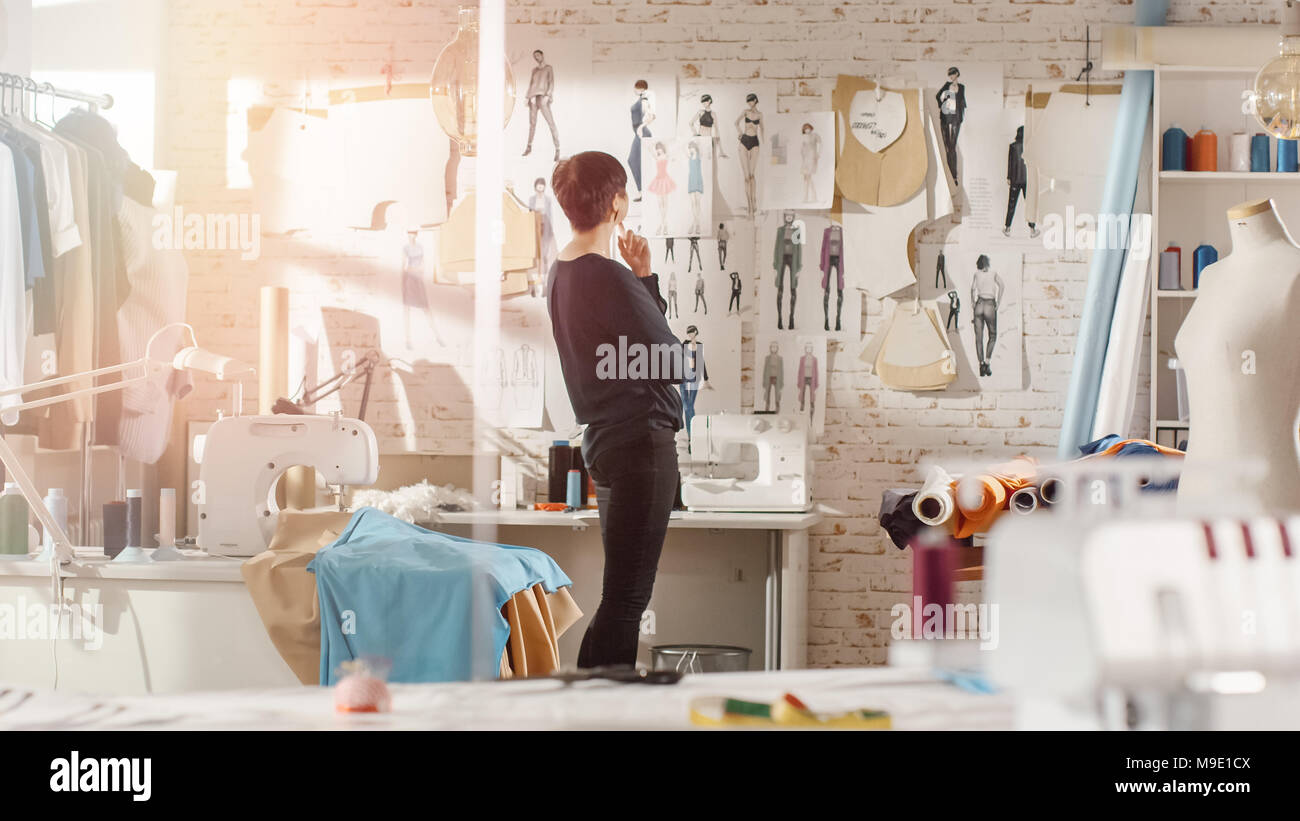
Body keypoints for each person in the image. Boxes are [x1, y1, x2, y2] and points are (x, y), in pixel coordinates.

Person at [547, 151, 683, 669]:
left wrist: (640, 277)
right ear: (617, 204)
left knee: (619, 599)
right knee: (626, 602)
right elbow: (669, 359)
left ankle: (594, 710)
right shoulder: (607, 276)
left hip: (607, 444)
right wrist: (644, 278)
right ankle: (599, 714)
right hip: (639, 444)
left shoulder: (562, 273)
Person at [970, 254, 1004, 377]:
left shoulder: (976, 274)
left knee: (978, 338)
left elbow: (972, 289)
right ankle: (987, 364)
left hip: (979, 304)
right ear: (988, 263)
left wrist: (973, 303)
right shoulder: (993, 273)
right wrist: (998, 302)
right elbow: (1002, 285)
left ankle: (981, 364)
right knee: (993, 335)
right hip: (990, 304)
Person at [523, 49, 559, 160]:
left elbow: (551, 82)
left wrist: (547, 96)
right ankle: (529, 147)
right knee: (532, 124)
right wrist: (528, 97)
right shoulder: (534, 70)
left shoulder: (548, 68)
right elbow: (531, 84)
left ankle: (557, 148)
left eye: (538, 55)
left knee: (551, 123)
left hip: (543, 98)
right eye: (535, 57)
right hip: (533, 99)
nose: (536, 58)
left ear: (542, 55)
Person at [1004, 125, 1039, 238]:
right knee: (1029, 205)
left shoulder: (1013, 146)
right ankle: (1032, 229)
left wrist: (1009, 177)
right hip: (1026, 180)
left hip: (1015, 179)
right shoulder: (1030, 147)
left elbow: (1010, 164)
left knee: (1011, 204)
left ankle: (1007, 228)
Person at [527, 177, 557, 297]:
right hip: (535, 224)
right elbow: (530, 214)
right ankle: (534, 286)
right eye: (538, 185)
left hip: (546, 224)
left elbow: (550, 215)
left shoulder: (548, 199)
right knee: (536, 255)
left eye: (542, 185)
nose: (540, 187)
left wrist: (550, 229)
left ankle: (544, 285)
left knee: (545, 254)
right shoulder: (532, 199)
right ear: (535, 186)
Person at [936, 67, 966, 184]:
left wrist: (961, 116)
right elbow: (938, 96)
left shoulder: (962, 87)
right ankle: (949, 175)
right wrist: (943, 106)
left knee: (952, 146)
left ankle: (954, 175)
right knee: (947, 146)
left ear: (957, 74)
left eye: (953, 74)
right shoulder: (947, 85)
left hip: (956, 118)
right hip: (946, 117)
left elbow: (962, 102)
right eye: (950, 75)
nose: (951, 77)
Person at [679, 325, 710, 437]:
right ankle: (692, 435)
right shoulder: (684, 344)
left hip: (694, 379)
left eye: (692, 332)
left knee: (690, 406)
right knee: (687, 407)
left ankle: (691, 436)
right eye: (689, 332)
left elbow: (701, 363)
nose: (690, 334)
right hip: (684, 378)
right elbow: (679, 358)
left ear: (696, 332)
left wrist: (706, 379)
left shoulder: (699, 345)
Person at [735, 93, 763, 215]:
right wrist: (740, 132)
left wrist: (766, 143)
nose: (750, 103)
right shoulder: (745, 112)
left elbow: (763, 129)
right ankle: (750, 206)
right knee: (746, 177)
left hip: (755, 142)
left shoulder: (760, 115)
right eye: (748, 101)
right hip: (744, 141)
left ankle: (754, 199)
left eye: (751, 101)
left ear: (756, 100)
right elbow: (736, 123)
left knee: (752, 175)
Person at [773, 210, 801, 330]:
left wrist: (799, 266)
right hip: (781, 259)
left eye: (791, 216)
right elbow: (776, 247)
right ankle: (779, 319)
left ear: (793, 217)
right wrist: (775, 265)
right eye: (787, 215)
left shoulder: (796, 231)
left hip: (793, 260)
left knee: (793, 289)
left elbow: (799, 249)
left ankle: (791, 318)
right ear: (785, 217)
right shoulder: (780, 230)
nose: (789, 217)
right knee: (780, 289)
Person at [628, 80, 655, 197]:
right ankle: (642, 191)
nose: (634, 89)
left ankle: (644, 191)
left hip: (642, 133)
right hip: (638, 133)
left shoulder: (644, 100)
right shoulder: (641, 99)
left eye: (635, 87)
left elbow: (652, 116)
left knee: (636, 161)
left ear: (641, 88)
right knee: (633, 161)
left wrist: (641, 127)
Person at [647, 141, 675, 236]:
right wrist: (654, 144)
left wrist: (663, 145)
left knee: (665, 203)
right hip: (658, 180)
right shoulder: (657, 157)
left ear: (662, 149)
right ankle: (664, 224)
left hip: (665, 180)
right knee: (660, 204)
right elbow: (650, 148)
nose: (658, 150)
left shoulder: (666, 156)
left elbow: (669, 148)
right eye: (657, 149)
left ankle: (662, 225)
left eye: (659, 148)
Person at [690, 94, 728, 158]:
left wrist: (721, 150)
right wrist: (696, 134)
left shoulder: (713, 114)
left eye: (705, 101)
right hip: (700, 139)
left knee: (708, 161)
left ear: (709, 101)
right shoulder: (700, 112)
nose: (703, 103)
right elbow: (691, 123)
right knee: (700, 159)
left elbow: (717, 131)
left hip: (709, 140)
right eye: (702, 102)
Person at [686, 141, 704, 235]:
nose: (690, 149)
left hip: (698, 180)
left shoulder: (699, 155)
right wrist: (687, 145)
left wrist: (696, 144)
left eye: (691, 147)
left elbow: (701, 147)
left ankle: (695, 225)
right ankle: (696, 224)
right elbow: (684, 147)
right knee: (693, 203)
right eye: (689, 148)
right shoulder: (689, 156)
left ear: (695, 148)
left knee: (697, 203)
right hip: (691, 181)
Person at [801, 123, 822, 203]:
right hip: (805, 159)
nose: (807, 130)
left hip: (812, 158)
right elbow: (802, 148)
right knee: (806, 178)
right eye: (805, 129)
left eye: (808, 128)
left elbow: (820, 144)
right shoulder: (803, 137)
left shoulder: (815, 135)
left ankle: (811, 197)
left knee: (808, 177)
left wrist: (818, 154)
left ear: (811, 128)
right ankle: (810, 197)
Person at [762, 341, 783, 412]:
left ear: (777, 348)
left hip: (777, 378)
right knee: (767, 395)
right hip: (768, 378)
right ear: (770, 348)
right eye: (772, 347)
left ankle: (777, 409)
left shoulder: (780, 358)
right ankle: (767, 409)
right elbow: (765, 370)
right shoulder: (767, 358)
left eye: (775, 347)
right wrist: (764, 381)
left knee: (777, 395)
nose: (774, 348)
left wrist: (781, 382)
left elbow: (781, 371)